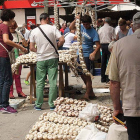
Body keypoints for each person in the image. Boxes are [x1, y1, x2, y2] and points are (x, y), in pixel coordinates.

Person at [109, 12, 140, 140]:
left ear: (132, 27)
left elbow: (114, 82)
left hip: (132, 106)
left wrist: (116, 108)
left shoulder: (119, 45)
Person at [30, 13, 64, 110]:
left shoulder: (34, 31)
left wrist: (39, 51)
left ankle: (38, 104)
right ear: (47, 19)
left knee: (40, 81)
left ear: (40, 19)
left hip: (40, 58)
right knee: (52, 81)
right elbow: (62, 39)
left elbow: (31, 48)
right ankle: (52, 104)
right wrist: (57, 46)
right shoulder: (52, 28)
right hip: (52, 57)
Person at [0, 9, 27, 113]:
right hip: (3, 55)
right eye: (13, 18)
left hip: (1, 55)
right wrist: (19, 46)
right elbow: (6, 40)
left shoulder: (1, 26)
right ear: (10, 18)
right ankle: (5, 105)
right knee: (7, 80)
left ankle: (2, 103)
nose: (13, 21)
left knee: (2, 80)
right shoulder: (5, 27)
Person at [69, 15, 101, 101]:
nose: (85, 26)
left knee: (87, 75)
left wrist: (94, 53)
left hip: (87, 55)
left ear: (90, 23)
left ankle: (87, 94)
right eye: (84, 24)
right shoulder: (81, 27)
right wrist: (76, 19)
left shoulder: (94, 32)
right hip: (79, 54)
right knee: (82, 74)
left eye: (87, 24)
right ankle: (91, 92)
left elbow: (98, 45)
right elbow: (71, 27)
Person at [9, 20, 28, 99]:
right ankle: (10, 92)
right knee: (10, 75)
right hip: (10, 56)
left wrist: (23, 41)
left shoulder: (18, 34)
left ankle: (19, 91)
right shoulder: (6, 34)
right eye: (11, 27)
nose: (13, 29)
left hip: (18, 56)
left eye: (14, 27)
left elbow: (26, 44)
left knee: (17, 74)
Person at [98, 17, 116, 83]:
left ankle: (103, 78)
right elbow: (113, 39)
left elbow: (99, 38)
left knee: (103, 62)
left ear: (104, 22)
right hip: (109, 45)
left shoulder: (100, 29)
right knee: (109, 62)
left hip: (102, 45)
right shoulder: (112, 28)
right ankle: (109, 78)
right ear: (110, 22)